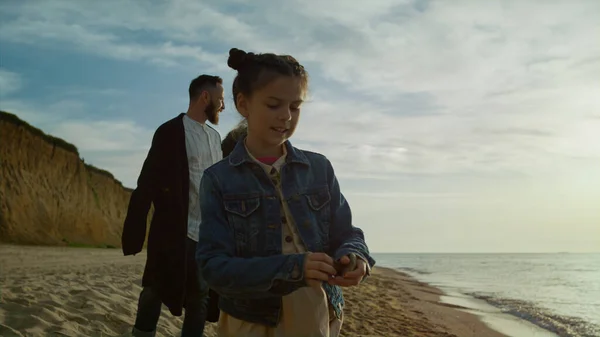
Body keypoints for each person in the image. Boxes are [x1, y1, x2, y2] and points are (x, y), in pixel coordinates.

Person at [196, 48, 376, 337]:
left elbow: (347, 232)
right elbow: (213, 267)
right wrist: (294, 267)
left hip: (315, 312)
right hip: (249, 319)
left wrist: (355, 258)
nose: (286, 116)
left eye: (295, 106)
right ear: (244, 104)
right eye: (273, 105)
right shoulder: (218, 179)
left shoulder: (319, 168)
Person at [122, 74, 225, 337]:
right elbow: (147, 181)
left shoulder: (215, 138)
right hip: (172, 231)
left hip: (206, 235)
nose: (223, 105)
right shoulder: (169, 131)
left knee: (199, 299)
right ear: (205, 97)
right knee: (154, 289)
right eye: (220, 99)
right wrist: (135, 233)